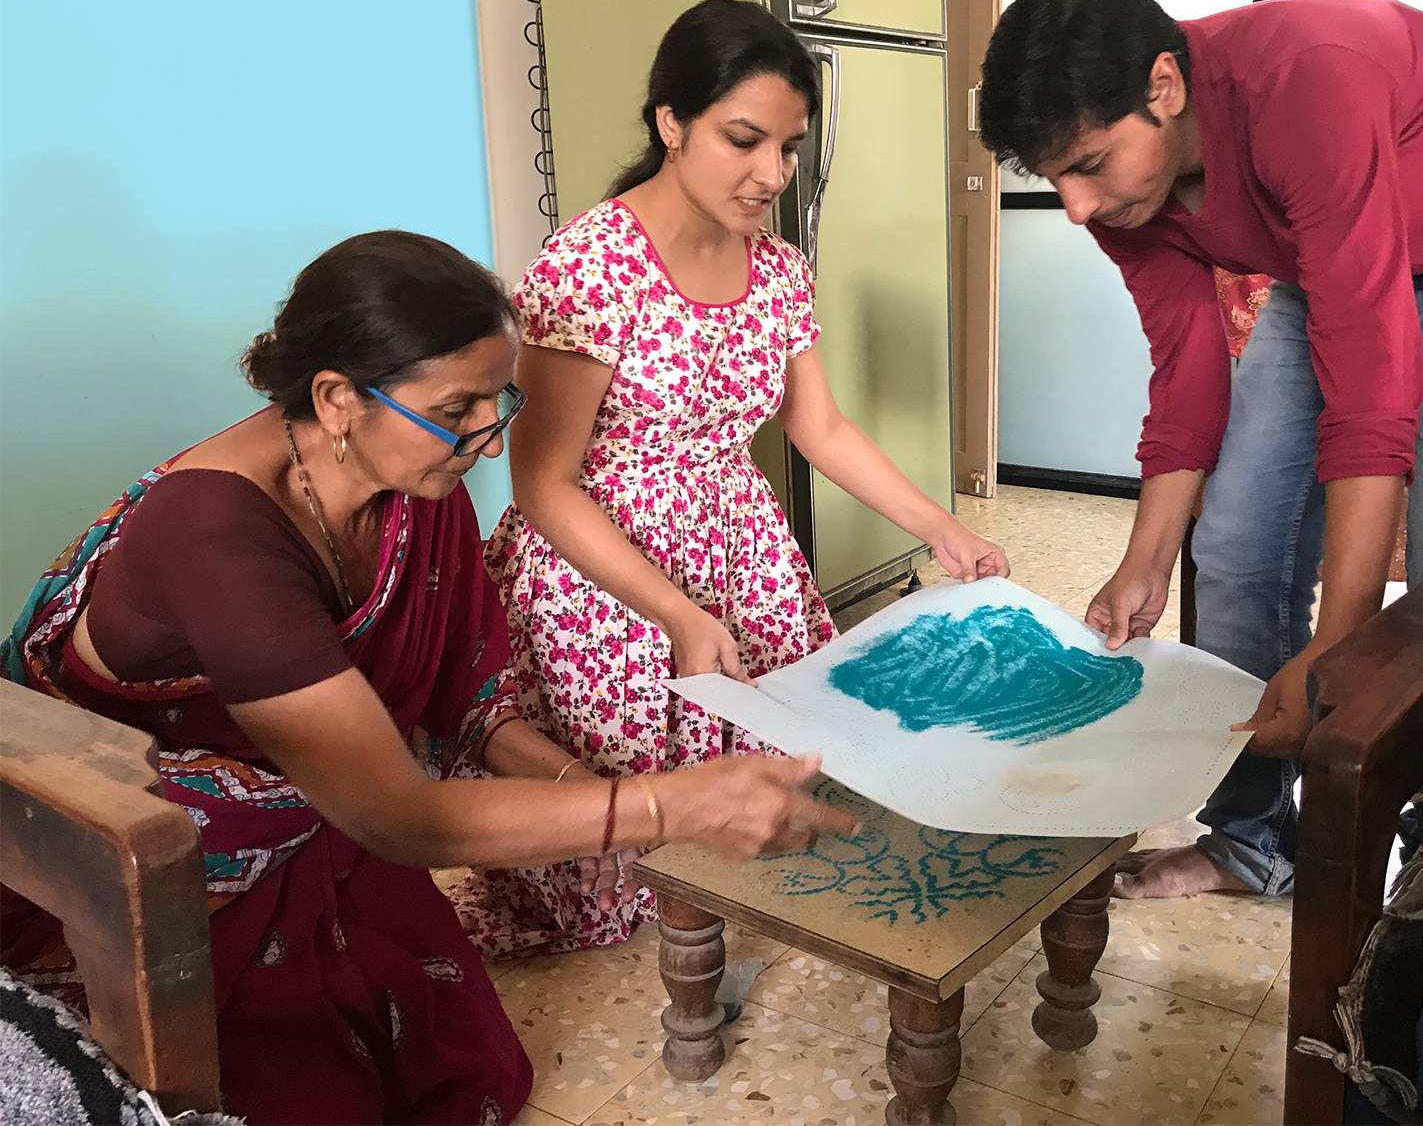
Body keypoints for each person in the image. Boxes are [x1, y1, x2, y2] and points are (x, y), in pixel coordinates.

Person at [0, 231, 857, 1125]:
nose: (487, 442)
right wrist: (671, 805)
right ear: (336, 399)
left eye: (500, 398)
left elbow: (465, 706)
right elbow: (398, 814)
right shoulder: (215, 532)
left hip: (322, 799)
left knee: (469, 1062)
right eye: (457, 409)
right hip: (151, 829)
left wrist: (584, 795)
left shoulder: (412, 488)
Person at [457, 0, 1007, 958]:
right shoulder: (588, 267)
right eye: (744, 139)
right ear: (671, 123)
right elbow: (542, 485)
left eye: (789, 147)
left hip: (738, 545)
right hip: (606, 572)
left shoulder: (780, 269)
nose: (773, 174)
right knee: (635, 835)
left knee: (776, 787)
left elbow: (819, 425)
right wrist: (671, 611)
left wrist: (939, 527)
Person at [977, 0, 1423, 899]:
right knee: (1235, 539)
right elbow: (1185, 374)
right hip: (1320, 258)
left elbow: (1371, 394)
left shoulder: (1309, 82)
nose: (1078, 205)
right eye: (1058, 177)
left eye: (1088, 165)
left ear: (1165, 89)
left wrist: (1335, 655)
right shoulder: (1123, 194)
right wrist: (1144, 559)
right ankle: (1252, 836)